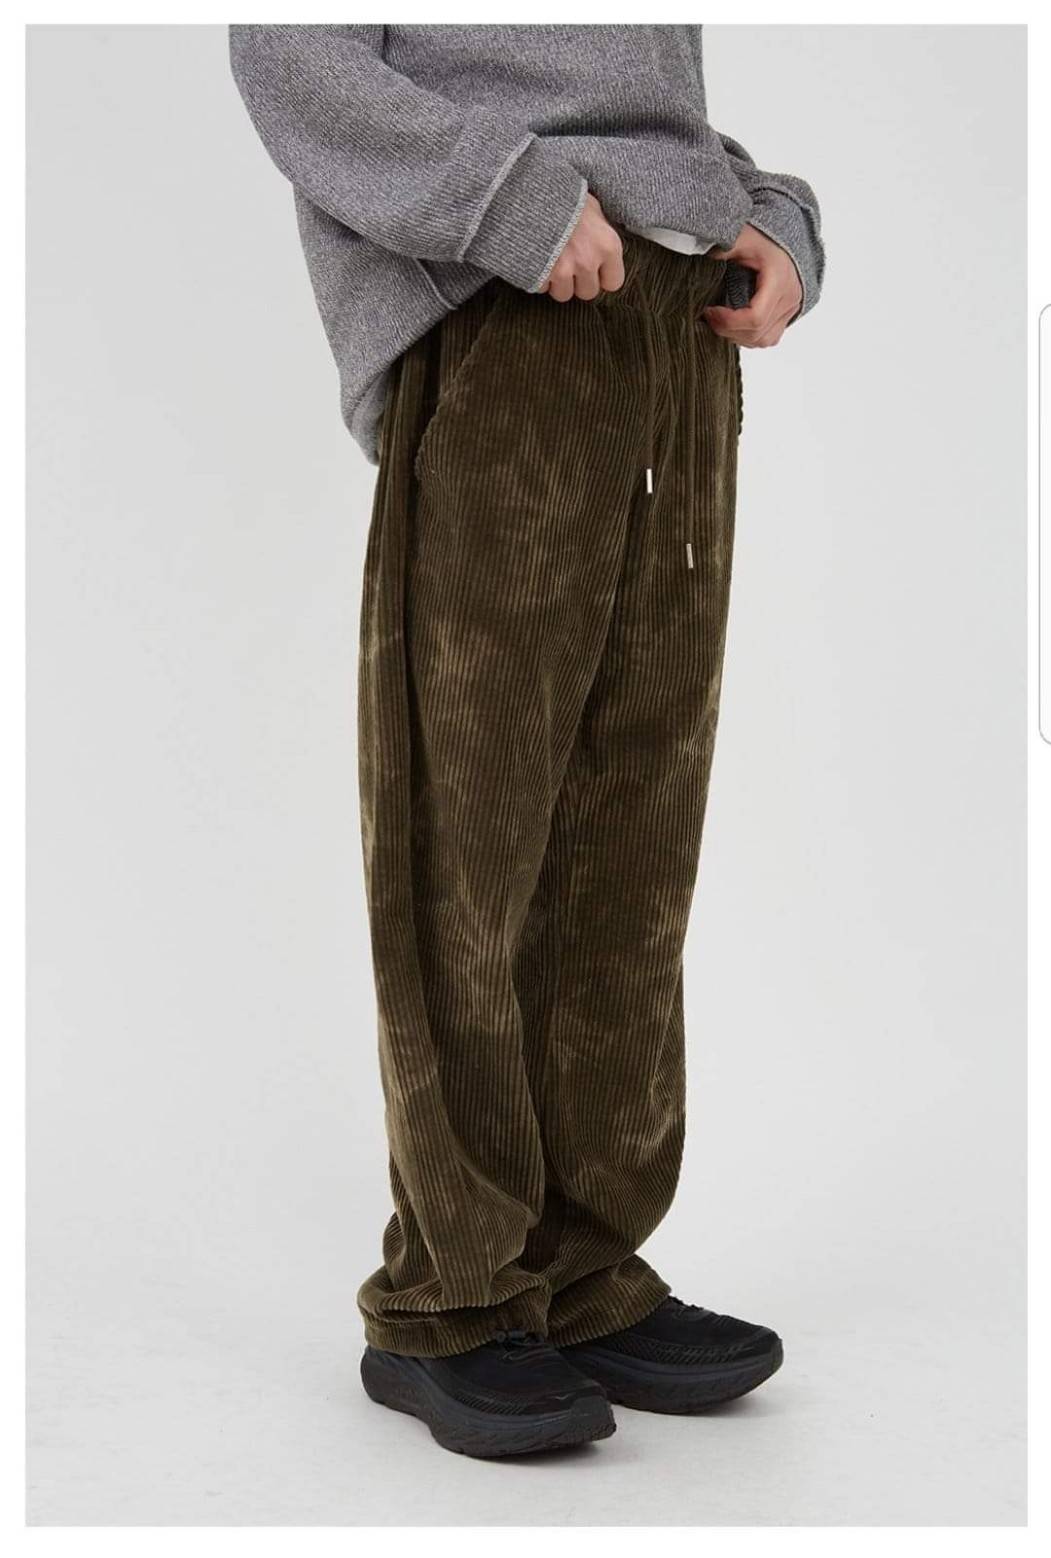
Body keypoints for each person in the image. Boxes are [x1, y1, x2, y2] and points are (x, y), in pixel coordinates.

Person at [230, 23, 824, 1459]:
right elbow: (287, 53)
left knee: (635, 834)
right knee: (470, 826)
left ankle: (579, 1269)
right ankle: (451, 1296)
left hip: (680, 328)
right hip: (510, 302)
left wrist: (767, 211)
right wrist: (510, 202)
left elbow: (639, 97)